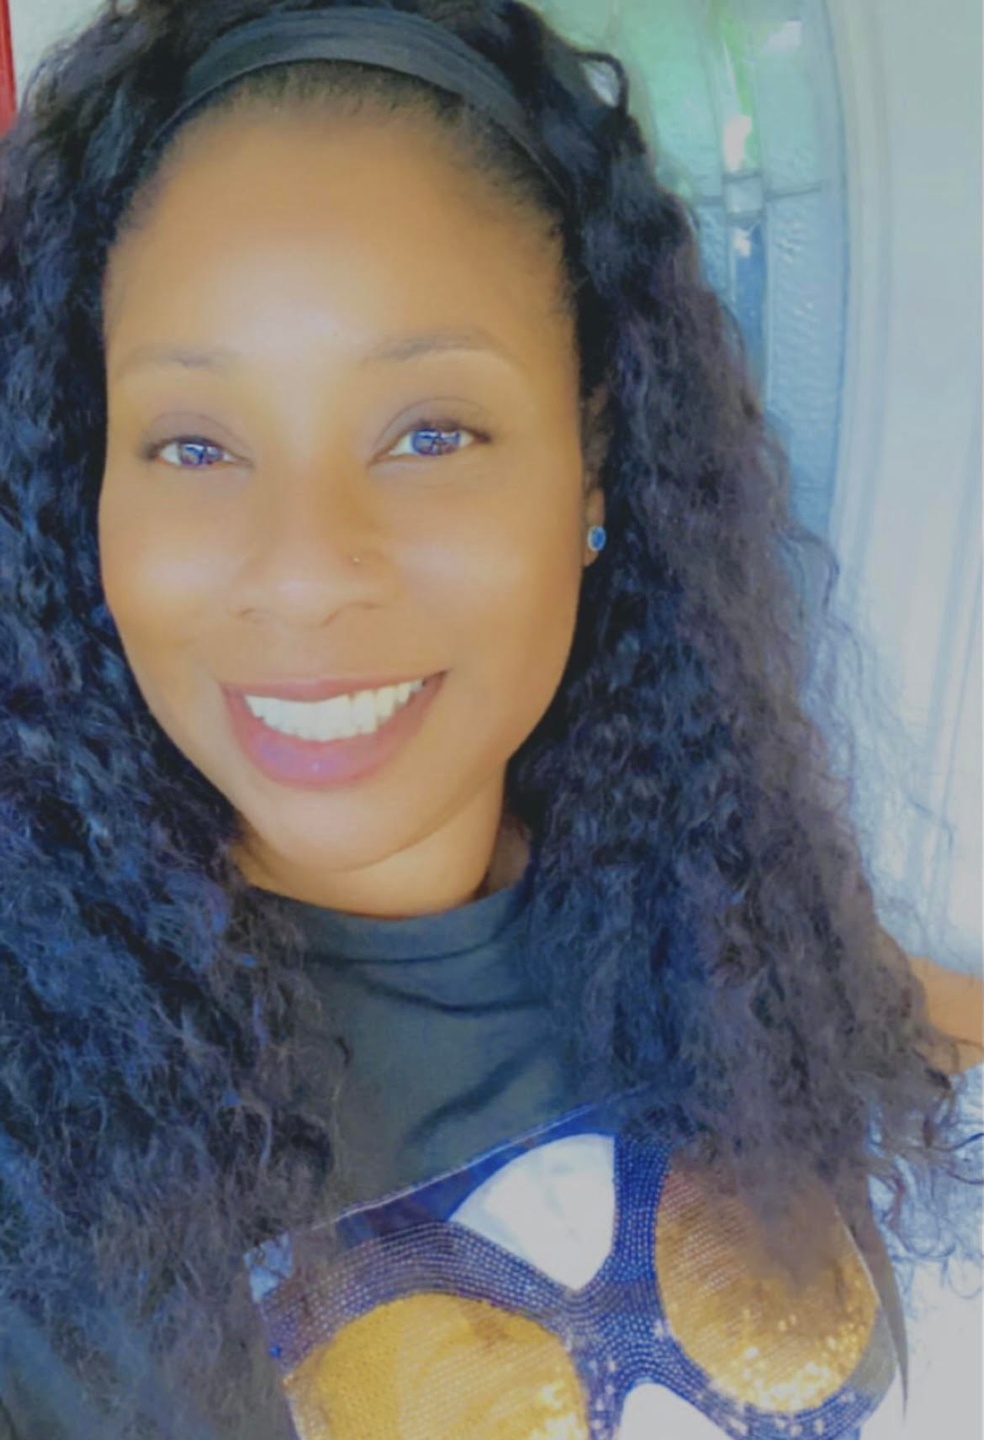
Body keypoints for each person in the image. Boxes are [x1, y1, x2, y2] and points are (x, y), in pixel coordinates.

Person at [0, 2, 980, 1437]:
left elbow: (893, 1019)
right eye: (194, 444)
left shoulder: (719, 927)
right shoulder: (37, 1119)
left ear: (594, 463)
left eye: (430, 433)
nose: (305, 571)